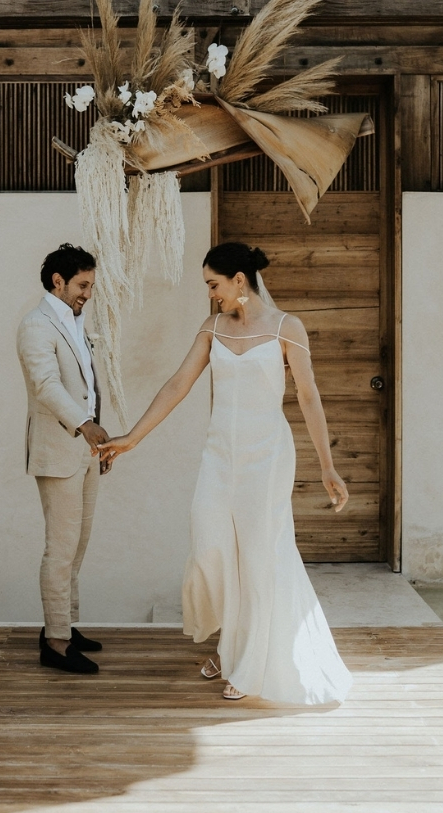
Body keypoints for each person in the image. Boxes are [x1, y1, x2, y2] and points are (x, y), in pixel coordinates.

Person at [97, 242, 353, 703]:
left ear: (240, 280)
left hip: (266, 455)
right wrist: (132, 438)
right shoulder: (212, 328)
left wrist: (327, 466)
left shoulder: (286, 328)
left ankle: (248, 659)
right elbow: (178, 383)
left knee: (258, 555)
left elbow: (309, 397)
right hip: (220, 456)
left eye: (214, 284)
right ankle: (229, 636)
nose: (211, 294)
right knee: (209, 546)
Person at [17, 243, 113, 675]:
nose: (87, 294)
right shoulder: (35, 326)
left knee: (78, 546)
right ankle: (55, 641)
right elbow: (46, 385)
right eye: (82, 285)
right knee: (59, 549)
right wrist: (84, 425)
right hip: (58, 451)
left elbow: (88, 385)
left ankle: (66, 626)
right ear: (58, 281)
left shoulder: (76, 323)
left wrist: (99, 438)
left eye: (90, 285)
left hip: (85, 452)